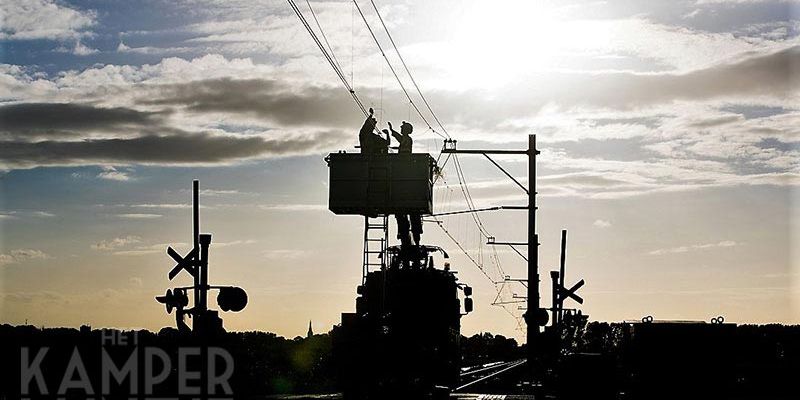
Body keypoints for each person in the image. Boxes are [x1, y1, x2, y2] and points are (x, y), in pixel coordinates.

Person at [388, 121, 423, 247]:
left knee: (406, 217)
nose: (401, 129)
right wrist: (392, 131)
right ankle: (409, 235)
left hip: (404, 165)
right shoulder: (405, 139)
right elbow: (398, 138)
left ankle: (405, 234)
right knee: (410, 217)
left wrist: (392, 132)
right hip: (404, 165)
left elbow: (400, 142)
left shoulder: (407, 140)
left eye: (402, 128)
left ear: (406, 130)